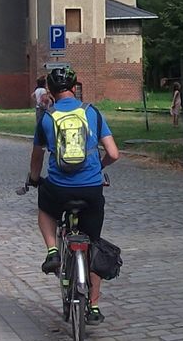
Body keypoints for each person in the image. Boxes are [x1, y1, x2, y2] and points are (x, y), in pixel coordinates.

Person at [26, 66, 119, 323]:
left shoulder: (47, 118)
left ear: (50, 91)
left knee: (45, 208)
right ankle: (94, 307)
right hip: (91, 189)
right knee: (94, 244)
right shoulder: (92, 112)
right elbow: (113, 153)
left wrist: (34, 178)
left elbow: (37, 157)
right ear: (75, 87)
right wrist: (98, 168)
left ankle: (52, 251)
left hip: (59, 188)